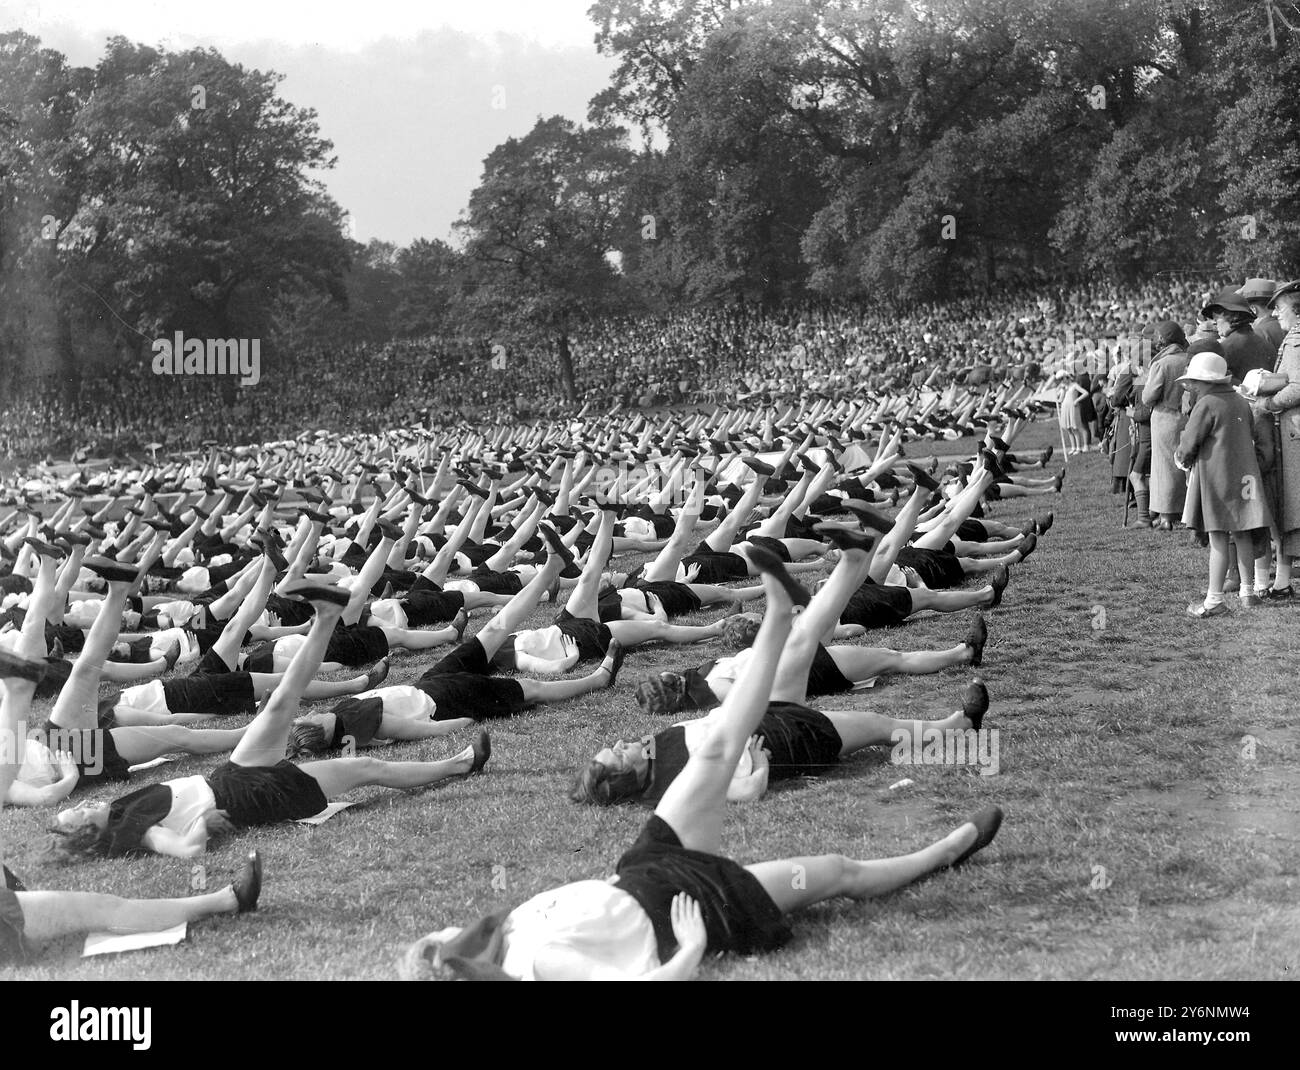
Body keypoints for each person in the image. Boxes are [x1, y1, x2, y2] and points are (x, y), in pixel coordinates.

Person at [401, 550, 1003, 981]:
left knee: (717, 744)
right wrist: (689, 952)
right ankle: (945, 852)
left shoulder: (507, 928)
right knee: (833, 873)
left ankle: (775, 612)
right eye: (436, 950)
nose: (437, 937)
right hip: (685, 905)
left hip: (645, 864)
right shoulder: (533, 963)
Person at [48, 581, 490, 860]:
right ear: (91, 833)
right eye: (80, 814)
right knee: (365, 769)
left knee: (282, 699)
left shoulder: (124, 810)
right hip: (256, 796)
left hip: (232, 773)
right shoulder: (132, 830)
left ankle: (327, 616)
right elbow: (179, 847)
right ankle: (459, 765)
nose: (84, 804)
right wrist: (200, 829)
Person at [2, 649, 264, 968]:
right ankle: (225, 899)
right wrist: (69, 772)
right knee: (103, 909)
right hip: (68, 755)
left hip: (52, 743)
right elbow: (36, 793)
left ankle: (19, 690)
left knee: (93, 674)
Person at [1175, 353, 1273, 617]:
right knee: (1242, 532)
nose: (1193, 385)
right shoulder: (1241, 402)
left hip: (1217, 477)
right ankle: (1248, 592)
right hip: (1245, 476)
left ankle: (1214, 599)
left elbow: (1189, 442)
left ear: (1205, 381)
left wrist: (1181, 459)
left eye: (1195, 381)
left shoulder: (1206, 403)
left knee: (1218, 537)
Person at [1255, 280, 1300, 597]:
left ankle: (1283, 583)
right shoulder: (1292, 338)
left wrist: (1267, 403)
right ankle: (1283, 583)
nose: (1275, 312)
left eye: (1280, 306)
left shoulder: (1297, 339)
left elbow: (1297, 387)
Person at [1140, 320, 1190, 529]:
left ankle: (1166, 517)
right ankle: (1184, 510)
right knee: (1183, 465)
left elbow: (1149, 397)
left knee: (1164, 468)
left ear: (1162, 340)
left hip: (1164, 417)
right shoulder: (1188, 358)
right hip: (1185, 417)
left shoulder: (1161, 363)